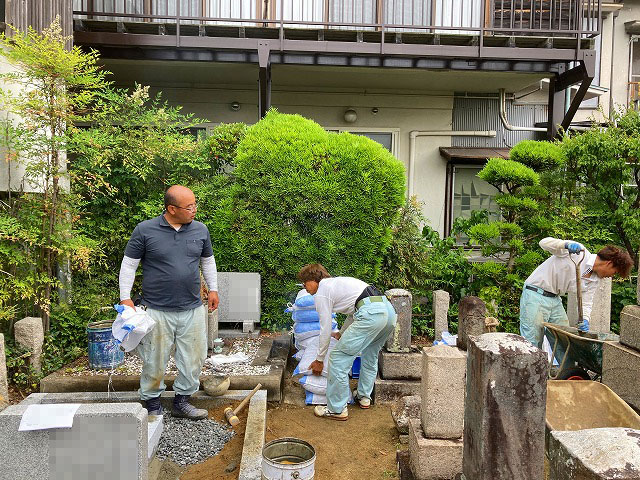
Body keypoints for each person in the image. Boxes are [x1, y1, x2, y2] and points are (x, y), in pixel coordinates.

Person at [119, 185, 219, 420]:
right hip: (156, 309)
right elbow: (129, 265)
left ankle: (182, 401)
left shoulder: (200, 230)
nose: (194, 210)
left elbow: (208, 262)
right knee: (154, 357)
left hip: (193, 307)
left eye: (195, 204)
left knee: (194, 357)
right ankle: (152, 402)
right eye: (189, 206)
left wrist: (213, 289)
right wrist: (125, 297)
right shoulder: (145, 230)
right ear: (171, 209)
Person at [297, 263, 397, 421]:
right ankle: (364, 397)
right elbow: (354, 311)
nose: (304, 287)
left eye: (305, 282)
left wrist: (319, 359)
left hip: (371, 313)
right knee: (370, 355)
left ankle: (336, 409)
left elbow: (325, 328)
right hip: (388, 312)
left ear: (314, 279)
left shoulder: (322, 291)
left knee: (337, 358)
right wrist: (342, 333)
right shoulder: (337, 284)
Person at [520, 237, 633, 351]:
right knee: (532, 342)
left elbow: (587, 301)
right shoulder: (579, 254)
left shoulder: (594, 278)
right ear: (609, 263)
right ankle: (529, 368)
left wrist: (585, 319)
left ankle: (568, 369)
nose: (611, 276)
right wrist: (565, 244)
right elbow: (543, 242)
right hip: (535, 294)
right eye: (615, 272)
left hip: (554, 299)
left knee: (565, 341)